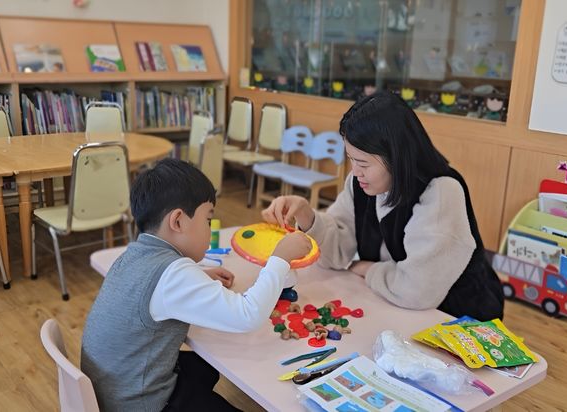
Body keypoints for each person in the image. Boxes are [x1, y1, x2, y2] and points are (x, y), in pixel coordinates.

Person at [81, 158, 312, 411]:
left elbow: (159, 287)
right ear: (178, 221)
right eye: (207, 220)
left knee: (204, 368)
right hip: (142, 403)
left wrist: (199, 276)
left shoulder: (134, 254)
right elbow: (248, 315)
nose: (210, 229)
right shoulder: (173, 274)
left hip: (115, 389)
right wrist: (280, 258)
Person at [262, 91, 504, 321]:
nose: (356, 172)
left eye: (364, 163)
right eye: (351, 160)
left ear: (396, 157)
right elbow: (336, 256)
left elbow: (416, 290)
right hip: (397, 308)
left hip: (458, 317)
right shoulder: (362, 184)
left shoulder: (440, 192)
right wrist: (308, 217)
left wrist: (369, 269)